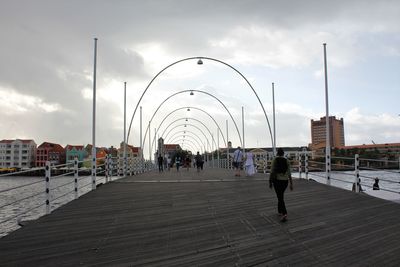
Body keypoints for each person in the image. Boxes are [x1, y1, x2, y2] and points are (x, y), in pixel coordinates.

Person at [269, 148, 293, 222]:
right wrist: (291, 183)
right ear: (283, 153)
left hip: (277, 180)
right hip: (285, 181)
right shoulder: (287, 161)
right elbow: (289, 173)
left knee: (280, 197)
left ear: (277, 153)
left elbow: (272, 171)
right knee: (280, 195)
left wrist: (270, 182)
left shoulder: (274, 160)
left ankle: (284, 213)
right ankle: (279, 211)